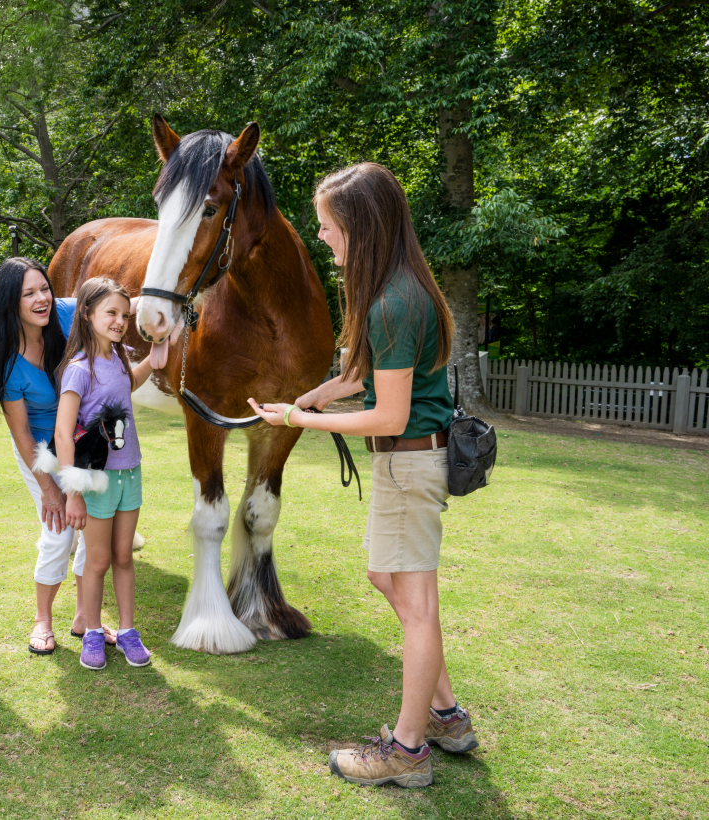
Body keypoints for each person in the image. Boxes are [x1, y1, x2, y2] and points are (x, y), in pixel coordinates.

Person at [248, 163, 478, 788]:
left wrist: (302, 420)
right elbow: (358, 379)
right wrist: (308, 397)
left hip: (409, 459)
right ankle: (446, 716)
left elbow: (390, 411)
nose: (322, 237)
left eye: (327, 227)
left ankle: (408, 752)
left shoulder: (394, 302)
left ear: (360, 227)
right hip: (405, 460)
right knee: (392, 583)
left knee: (416, 607)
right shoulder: (391, 289)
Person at [0, 257, 107, 655]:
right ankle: (42, 620)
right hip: (41, 451)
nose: (41, 299)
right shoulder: (5, 360)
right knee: (59, 532)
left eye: (44, 289)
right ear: (9, 303)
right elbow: (21, 435)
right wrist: (50, 489)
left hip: (83, 440)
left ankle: (85, 616)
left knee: (92, 526)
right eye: (28, 293)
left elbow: (115, 304)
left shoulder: (67, 314)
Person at [53, 278, 154, 671]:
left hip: (130, 472)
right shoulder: (78, 369)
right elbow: (63, 433)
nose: (119, 321)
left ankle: (128, 632)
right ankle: (93, 632)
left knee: (124, 556)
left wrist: (155, 357)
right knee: (96, 562)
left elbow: (127, 384)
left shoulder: (121, 357)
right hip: (95, 480)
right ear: (87, 313)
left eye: (124, 315)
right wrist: (73, 493)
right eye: (111, 313)